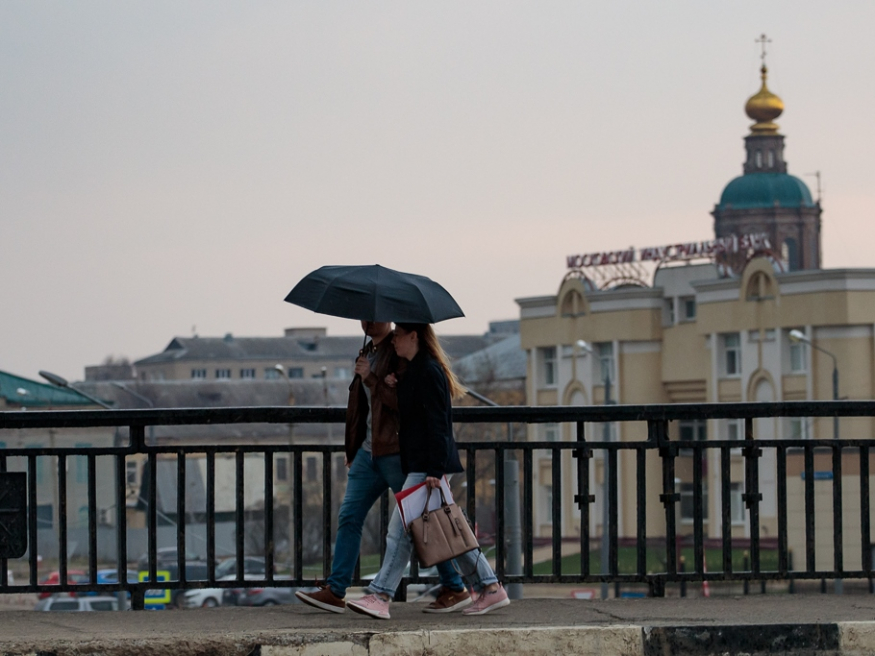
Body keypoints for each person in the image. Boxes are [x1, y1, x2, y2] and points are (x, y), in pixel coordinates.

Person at [296, 321, 470, 614]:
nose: (368, 320)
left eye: (374, 315)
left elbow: (404, 404)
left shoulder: (400, 353)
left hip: (396, 453)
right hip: (367, 454)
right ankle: (336, 590)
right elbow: (359, 408)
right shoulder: (367, 353)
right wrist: (353, 447)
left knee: (419, 522)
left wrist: (372, 378)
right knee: (349, 516)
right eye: (363, 315)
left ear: (389, 320)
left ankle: (454, 586)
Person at [347, 322, 510, 620]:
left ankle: (380, 595)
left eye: (398, 335)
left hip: (427, 468)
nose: (393, 340)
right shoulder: (415, 370)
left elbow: (438, 425)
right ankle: (490, 587)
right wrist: (393, 383)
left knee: (400, 532)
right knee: (449, 531)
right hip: (422, 465)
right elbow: (411, 413)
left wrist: (435, 469)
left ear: (414, 336)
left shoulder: (429, 371)